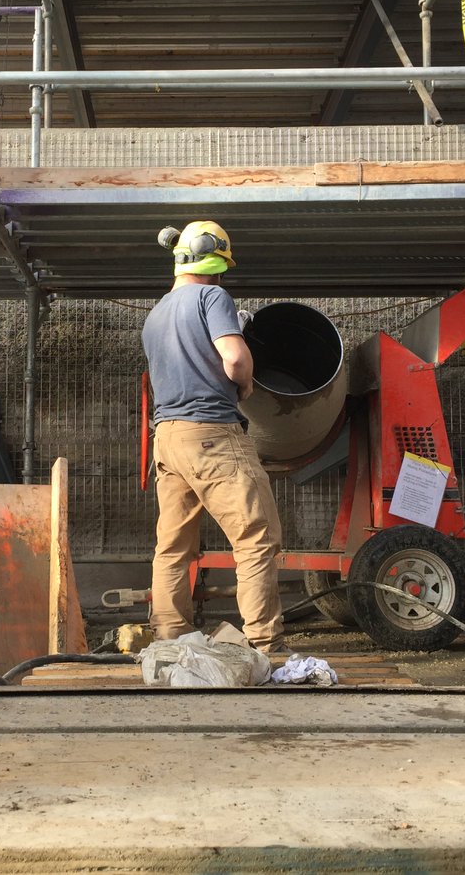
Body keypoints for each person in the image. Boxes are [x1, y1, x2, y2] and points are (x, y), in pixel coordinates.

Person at [141, 221, 288, 654]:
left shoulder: (156, 313)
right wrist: (244, 384)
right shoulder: (212, 296)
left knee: (173, 546)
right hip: (211, 434)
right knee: (256, 536)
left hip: (167, 439)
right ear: (217, 262)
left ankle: (170, 639)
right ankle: (267, 646)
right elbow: (235, 358)